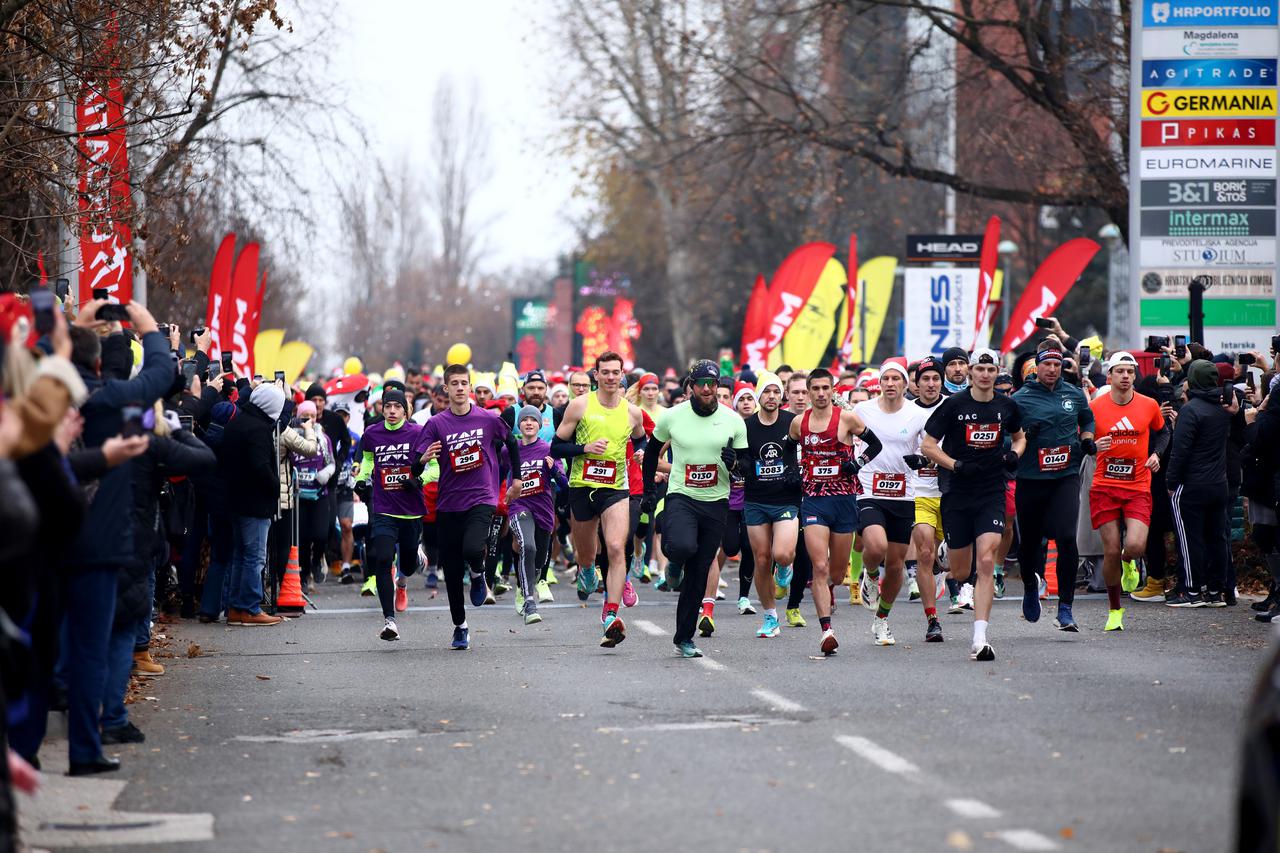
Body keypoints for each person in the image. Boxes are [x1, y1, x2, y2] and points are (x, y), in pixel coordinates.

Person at [922, 348, 1025, 661]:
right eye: (980, 369)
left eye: (990, 370)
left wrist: (1014, 454)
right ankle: (946, 555)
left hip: (991, 490)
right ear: (970, 372)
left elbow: (1020, 437)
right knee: (960, 568)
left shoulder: (1007, 406)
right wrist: (954, 465)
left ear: (996, 373)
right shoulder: (953, 406)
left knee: (985, 560)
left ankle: (980, 638)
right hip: (958, 491)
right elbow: (928, 445)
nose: (985, 375)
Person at [642, 360, 749, 657]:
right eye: (700, 383)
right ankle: (673, 564)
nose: (706, 388)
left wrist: (733, 463)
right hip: (682, 495)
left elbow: (747, 467)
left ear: (718, 387)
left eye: (711, 384)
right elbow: (652, 453)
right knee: (681, 547)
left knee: (700, 571)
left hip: (716, 501)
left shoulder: (733, 420)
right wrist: (649, 491)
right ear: (691, 385)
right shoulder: (672, 417)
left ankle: (684, 638)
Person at [420, 364, 520, 649]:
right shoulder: (437, 423)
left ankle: (478, 574)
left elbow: (510, 442)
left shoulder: (488, 419)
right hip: (449, 503)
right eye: (455, 384)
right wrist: (422, 459)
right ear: (446, 389)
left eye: (465, 383)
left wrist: (517, 478)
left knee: (473, 548)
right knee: (450, 571)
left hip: (482, 497)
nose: (461, 388)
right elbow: (417, 459)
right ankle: (460, 626)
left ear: (470, 387)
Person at [553, 352, 647, 648]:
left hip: (616, 488)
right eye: (604, 372)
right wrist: (585, 448)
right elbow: (556, 446)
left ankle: (610, 614)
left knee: (617, 546)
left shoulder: (632, 412)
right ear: (596, 375)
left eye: (615, 372)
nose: (609, 377)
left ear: (622, 375)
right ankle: (585, 570)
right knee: (587, 554)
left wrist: (641, 451)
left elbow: (641, 437)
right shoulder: (580, 405)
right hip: (582, 486)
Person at [789, 367, 882, 656]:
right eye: (813, 389)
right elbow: (785, 451)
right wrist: (792, 475)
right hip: (814, 500)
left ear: (833, 390)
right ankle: (826, 630)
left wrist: (859, 462)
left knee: (837, 571)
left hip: (843, 499)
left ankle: (849, 581)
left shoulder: (847, 419)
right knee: (819, 567)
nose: (818, 394)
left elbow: (875, 445)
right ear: (807, 391)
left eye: (824, 388)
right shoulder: (798, 423)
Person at [1011, 343, 1095, 631]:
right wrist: (1024, 436)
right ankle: (1031, 588)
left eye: (1057, 365)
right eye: (1047, 364)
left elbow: (1087, 418)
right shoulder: (1020, 399)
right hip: (1031, 479)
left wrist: (1086, 438)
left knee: (1067, 537)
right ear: (1037, 366)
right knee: (1031, 544)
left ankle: (1066, 608)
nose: (1052, 369)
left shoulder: (1072, 394)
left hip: (1065, 476)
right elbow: (1009, 435)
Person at [853, 360, 931, 647]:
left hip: (903, 493)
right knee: (876, 546)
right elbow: (843, 435)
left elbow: (932, 447)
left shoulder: (917, 414)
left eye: (895, 378)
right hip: (869, 489)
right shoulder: (863, 410)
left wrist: (923, 459)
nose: (890, 383)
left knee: (897, 565)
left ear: (905, 383)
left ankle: (882, 620)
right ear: (880, 383)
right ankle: (870, 574)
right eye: (885, 378)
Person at [1088, 352, 1167, 631]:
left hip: (1137, 485)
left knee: (1135, 545)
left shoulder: (1149, 405)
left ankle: (1129, 562)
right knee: (1110, 550)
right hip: (1105, 486)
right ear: (1109, 375)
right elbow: (1082, 439)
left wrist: (1156, 453)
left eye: (1130, 372)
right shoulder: (1095, 407)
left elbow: (1163, 432)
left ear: (1134, 376)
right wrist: (1092, 447)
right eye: (1119, 371)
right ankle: (1114, 610)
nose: (1125, 376)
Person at [354, 385, 427, 640]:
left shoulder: (418, 433)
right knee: (383, 560)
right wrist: (362, 480)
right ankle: (390, 621)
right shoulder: (372, 433)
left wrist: (420, 480)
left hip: (410, 510)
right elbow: (368, 462)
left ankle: (413, 561)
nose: (392, 411)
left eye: (397, 407)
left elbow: (435, 466)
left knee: (406, 563)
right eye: (388, 406)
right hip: (384, 508)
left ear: (406, 410)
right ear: (382, 408)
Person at [1166, 359, 1234, 607]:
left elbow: (1180, 451)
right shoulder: (1223, 409)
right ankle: (1215, 591)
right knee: (1217, 538)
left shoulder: (1190, 410)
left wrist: (1171, 481)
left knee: (1189, 539)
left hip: (1191, 485)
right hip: (1219, 484)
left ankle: (1192, 591)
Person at [222, 383, 290, 628]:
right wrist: (274, 487)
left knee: (241, 555)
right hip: (254, 502)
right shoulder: (259, 429)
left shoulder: (238, 422)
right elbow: (259, 466)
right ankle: (250, 608)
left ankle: (236, 607)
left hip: (235, 500)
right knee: (254, 557)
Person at [741, 372, 800, 638]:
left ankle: (786, 568)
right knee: (761, 560)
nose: (772, 397)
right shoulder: (746, 426)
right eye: (767, 392)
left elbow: (806, 452)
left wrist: (798, 475)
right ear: (758, 396)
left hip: (786, 498)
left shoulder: (792, 422)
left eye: (777, 392)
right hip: (755, 499)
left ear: (782, 395)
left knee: (782, 554)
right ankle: (770, 616)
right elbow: (741, 461)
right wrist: (737, 465)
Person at [508, 405, 566, 624]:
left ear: (540, 425)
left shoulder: (548, 449)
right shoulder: (511, 450)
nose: (529, 423)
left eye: (534, 420)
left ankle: (527, 582)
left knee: (538, 559)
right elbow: (492, 463)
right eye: (524, 420)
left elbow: (563, 484)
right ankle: (529, 601)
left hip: (543, 510)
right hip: (518, 507)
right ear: (519, 425)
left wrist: (554, 471)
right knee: (527, 546)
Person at [906, 357, 948, 641]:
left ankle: (943, 565)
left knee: (956, 564)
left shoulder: (954, 406)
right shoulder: (907, 413)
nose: (931, 384)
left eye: (936, 378)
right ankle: (932, 618)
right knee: (924, 553)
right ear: (916, 384)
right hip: (920, 491)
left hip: (952, 491)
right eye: (925, 379)